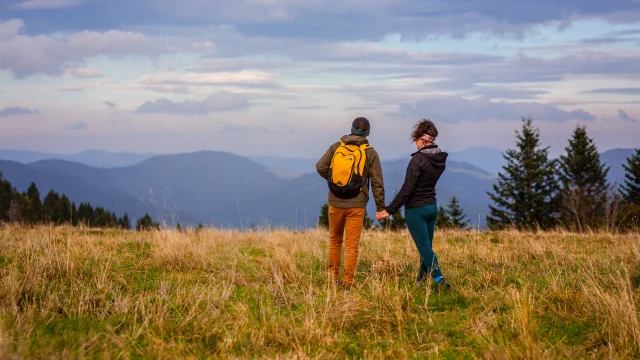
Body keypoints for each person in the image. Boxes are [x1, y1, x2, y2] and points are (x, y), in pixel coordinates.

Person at [376, 119, 451, 289]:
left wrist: (389, 210)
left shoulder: (417, 160)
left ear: (421, 139)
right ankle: (419, 283)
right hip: (432, 207)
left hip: (415, 210)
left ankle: (439, 279)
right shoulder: (439, 160)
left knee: (424, 247)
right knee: (427, 248)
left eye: (416, 140)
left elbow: (407, 189)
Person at [316, 117, 385, 290]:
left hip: (335, 201)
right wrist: (380, 207)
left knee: (334, 240)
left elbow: (320, 167)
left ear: (351, 129)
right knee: (351, 246)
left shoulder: (336, 147)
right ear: (368, 133)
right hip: (357, 203)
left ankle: (333, 278)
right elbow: (377, 182)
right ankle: (348, 283)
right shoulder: (370, 153)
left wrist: (335, 182)